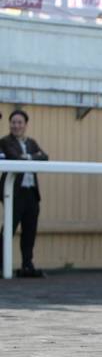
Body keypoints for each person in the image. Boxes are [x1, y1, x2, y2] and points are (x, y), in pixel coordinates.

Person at [0, 109, 48, 278]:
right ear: (10, 124)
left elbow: (45, 157)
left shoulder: (31, 142)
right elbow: (14, 157)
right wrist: (32, 157)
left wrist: (26, 156)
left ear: (25, 125)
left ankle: (27, 265)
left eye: (20, 122)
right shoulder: (5, 141)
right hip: (14, 192)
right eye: (13, 122)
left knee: (30, 231)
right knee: (9, 229)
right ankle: (1, 266)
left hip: (31, 194)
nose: (16, 125)